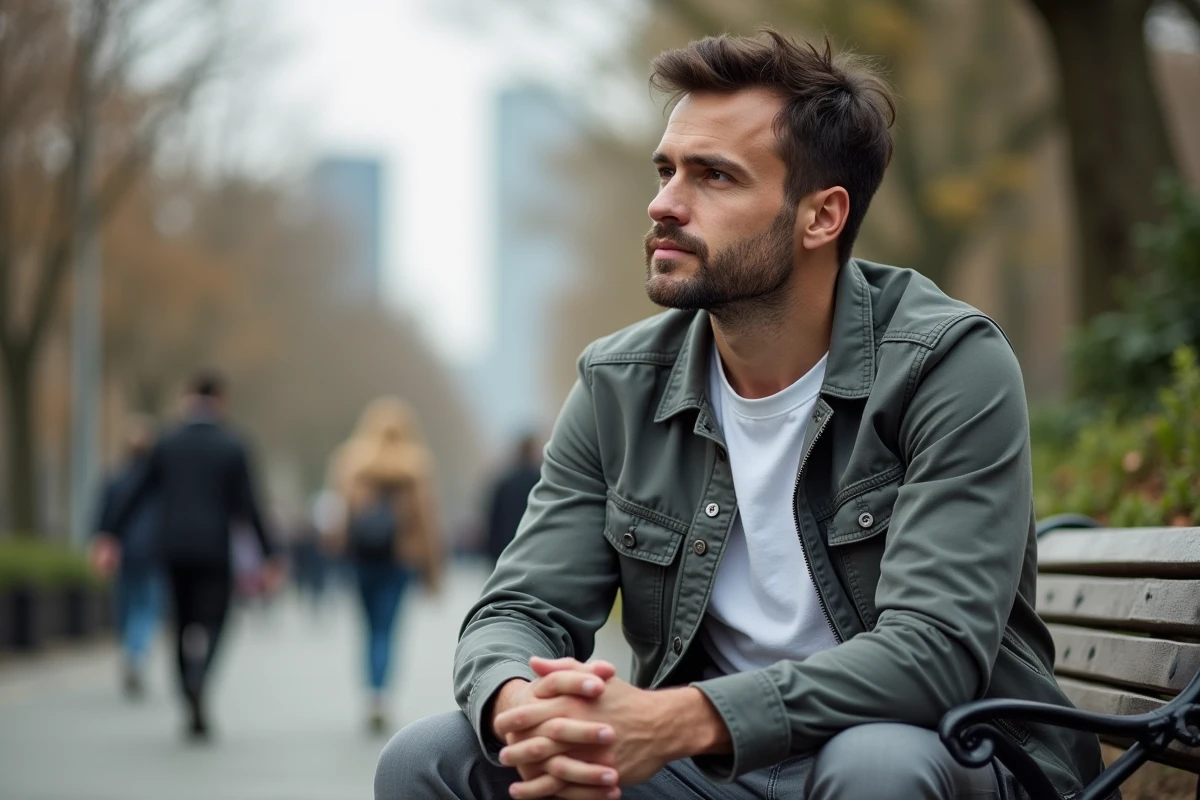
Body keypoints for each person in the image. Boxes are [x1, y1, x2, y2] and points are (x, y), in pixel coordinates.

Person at [376, 30, 1105, 800]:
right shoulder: (618, 384)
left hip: (944, 751)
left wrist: (682, 719)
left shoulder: (946, 364)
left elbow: (932, 655)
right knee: (433, 758)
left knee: (875, 764)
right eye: (666, 170)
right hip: (715, 771)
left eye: (714, 176)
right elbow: (521, 606)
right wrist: (523, 705)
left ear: (821, 216)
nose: (664, 203)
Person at [106, 371, 284, 740]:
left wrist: (109, 534)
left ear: (188, 397)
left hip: (172, 549)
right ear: (221, 400)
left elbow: (137, 491)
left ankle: (186, 684)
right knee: (216, 621)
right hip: (214, 550)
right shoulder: (233, 445)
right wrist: (270, 555)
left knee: (180, 623)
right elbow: (249, 505)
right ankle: (200, 678)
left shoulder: (166, 441)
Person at [327, 397, 444, 734]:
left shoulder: (352, 462)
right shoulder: (417, 465)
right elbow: (427, 522)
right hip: (400, 558)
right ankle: (381, 694)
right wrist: (433, 571)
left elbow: (341, 514)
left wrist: (335, 550)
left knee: (368, 627)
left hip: (362, 557)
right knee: (387, 628)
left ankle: (370, 693)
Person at [91, 414, 163, 699]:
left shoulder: (115, 479)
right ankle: (136, 652)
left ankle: (130, 649)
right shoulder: (160, 484)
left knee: (127, 604)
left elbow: (103, 517)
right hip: (152, 553)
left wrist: (101, 542)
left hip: (123, 553)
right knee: (146, 606)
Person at [483, 433, 542, 567]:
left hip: (505, 550)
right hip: (532, 550)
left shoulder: (504, 483)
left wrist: (491, 552)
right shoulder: (540, 482)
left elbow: (493, 520)